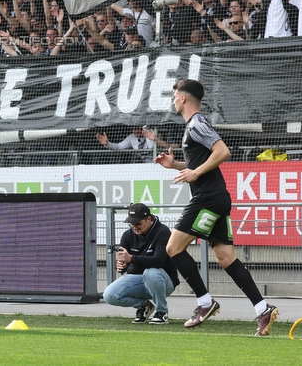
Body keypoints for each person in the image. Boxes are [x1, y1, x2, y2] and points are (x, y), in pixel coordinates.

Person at [156, 79, 279, 336]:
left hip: (207, 198)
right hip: (217, 197)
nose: (173, 99)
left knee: (173, 247)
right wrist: (177, 164)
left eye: (174, 94)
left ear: (183, 98)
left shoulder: (197, 123)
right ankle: (263, 309)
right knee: (226, 258)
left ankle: (205, 302)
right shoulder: (193, 126)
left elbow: (223, 151)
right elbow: (202, 162)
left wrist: (194, 172)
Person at [102, 203, 179, 325]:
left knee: (151, 272)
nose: (135, 227)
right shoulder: (127, 235)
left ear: (149, 219)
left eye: (138, 224)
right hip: (139, 279)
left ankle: (162, 312)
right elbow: (124, 263)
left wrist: (131, 258)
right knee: (109, 295)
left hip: (164, 281)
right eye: (132, 224)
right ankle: (144, 306)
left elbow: (158, 260)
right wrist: (121, 266)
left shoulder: (163, 232)